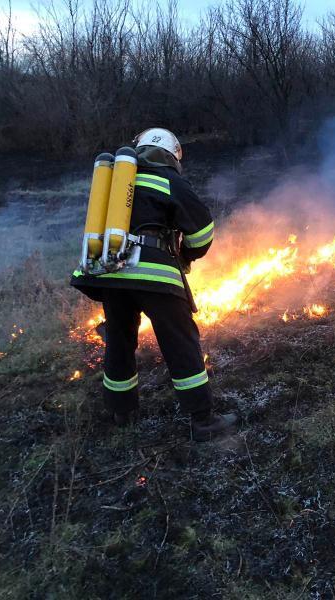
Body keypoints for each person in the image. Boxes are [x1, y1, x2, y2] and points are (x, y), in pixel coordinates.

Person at [71, 127, 237, 441]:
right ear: (172, 155)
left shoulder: (118, 182)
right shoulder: (169, 180)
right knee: (180, 343)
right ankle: (202, 420)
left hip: (110, 274)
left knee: (119, 342)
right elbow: (202, 233)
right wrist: (185, 255)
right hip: (154, 276)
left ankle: (122, 412)